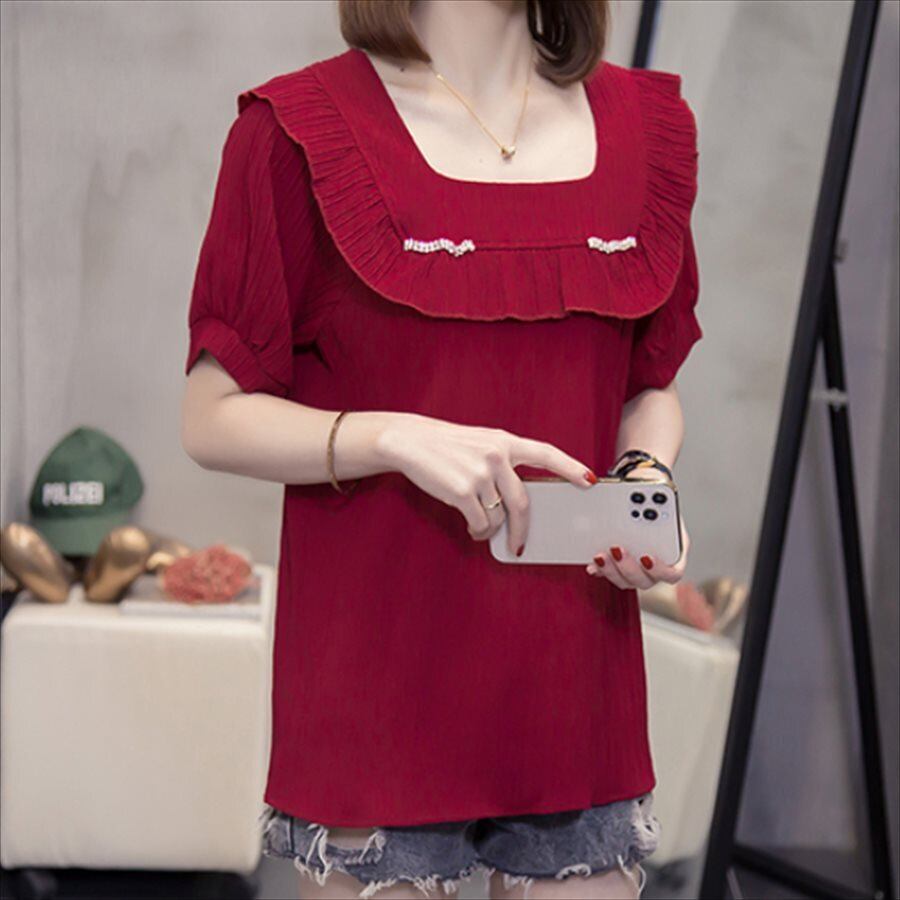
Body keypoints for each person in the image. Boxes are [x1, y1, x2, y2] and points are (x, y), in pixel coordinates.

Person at [180, 0, 702, 897]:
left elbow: (648, 381)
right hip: (378, 690)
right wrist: (393, 435)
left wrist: (644, 484)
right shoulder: (294, 132)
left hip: (574, 689)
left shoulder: (643, 130)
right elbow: (211, 415)